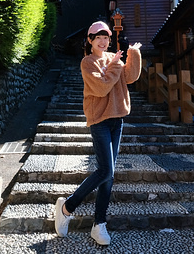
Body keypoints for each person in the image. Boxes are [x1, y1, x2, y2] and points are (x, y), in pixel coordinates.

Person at [54, 20, 142, 246]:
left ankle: (99, 224)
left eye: (106, 38)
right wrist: (114, 64)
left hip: (117, 120)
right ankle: (67, 208)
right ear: (90, 41)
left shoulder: (115, 58)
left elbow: (129, 77)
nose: (104, 42)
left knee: (109, 174)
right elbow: (102, 87)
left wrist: (133, 53)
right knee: (105, 169)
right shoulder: (88, 62)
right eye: (99, 38)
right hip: (100, 121)